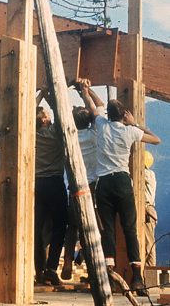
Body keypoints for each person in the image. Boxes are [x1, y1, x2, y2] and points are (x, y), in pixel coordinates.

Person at [81, 78, 161, 295]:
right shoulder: (130, 131)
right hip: (123, 181)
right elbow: (156, 140)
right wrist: (134, 123)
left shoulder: (101, 126)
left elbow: (92, 106)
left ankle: (109, 273)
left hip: (104, 183)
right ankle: (136, 277)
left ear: (108, 115)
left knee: (107, 229)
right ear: (124, 115)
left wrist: (85, 90)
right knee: (130, 229)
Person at [61, 82, 105, 280]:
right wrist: (84, 91)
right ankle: (92, 263)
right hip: (93, 186)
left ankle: (69, 260)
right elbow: (99, 104)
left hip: (75, 186)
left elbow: (60, 111)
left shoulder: (70, 135)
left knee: (72, 226)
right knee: (94, 226)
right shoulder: (96, 133)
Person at [34, 88, 68, 286]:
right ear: (45, 120)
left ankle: (39, 271)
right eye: (46, 114)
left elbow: (28, 112)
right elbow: (61, 111)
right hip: (55, 183)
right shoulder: (55, 133)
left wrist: (40, 96)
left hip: (37, 185)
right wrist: (49, 96)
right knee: (59, 226)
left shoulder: (31, 133)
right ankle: (51, 268)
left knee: (38, 229)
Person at [144, 150, 158, 267]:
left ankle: (150, 270)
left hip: (147, 209)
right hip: (146, 210)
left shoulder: (148, 174)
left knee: (149, 243)